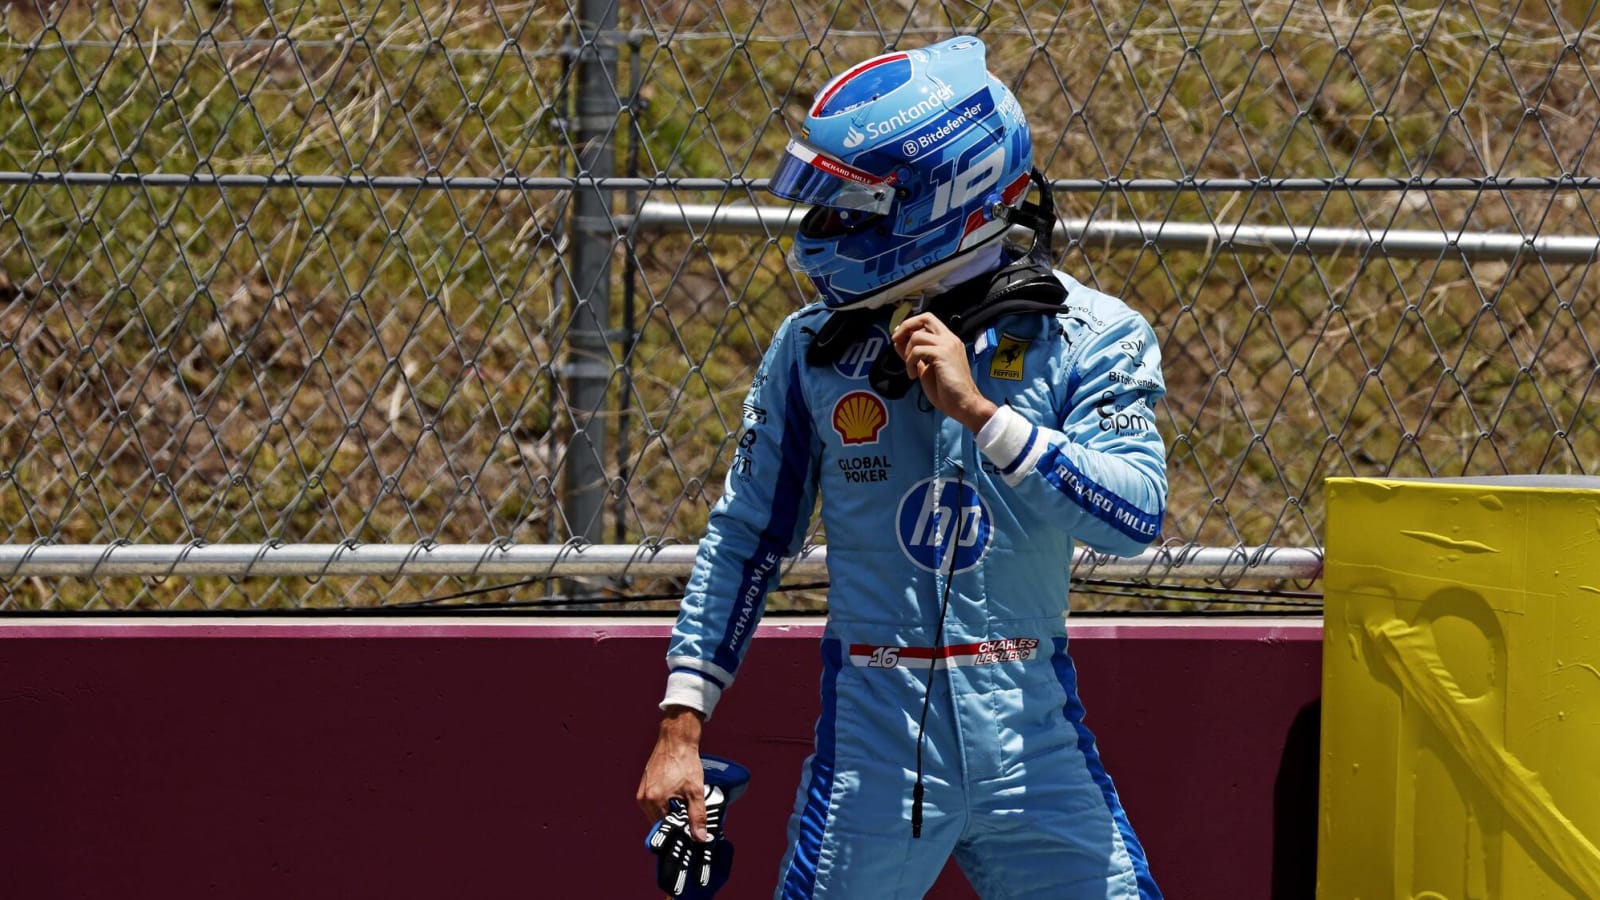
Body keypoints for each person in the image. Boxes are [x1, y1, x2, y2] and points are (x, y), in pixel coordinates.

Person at [637, 35, 1168, 899]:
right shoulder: (811, 349)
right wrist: (680, 726)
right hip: (873, 759)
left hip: (1035, 748)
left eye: (854, 209)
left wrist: (985, 417)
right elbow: (746, 539)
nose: (825, 231)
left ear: (944, 190)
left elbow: (1136, 519)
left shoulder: (1089, 332)